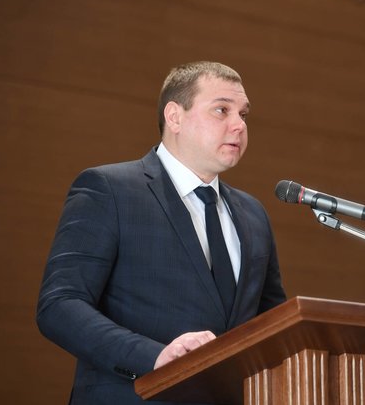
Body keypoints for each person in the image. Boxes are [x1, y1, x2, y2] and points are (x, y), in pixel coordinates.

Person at [36, 61, 287, 404]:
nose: (239, 125)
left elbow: (272, 324)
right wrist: (155, 358)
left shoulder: (253, 214)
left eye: (243, 114)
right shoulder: (109, 190)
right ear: (174, 117)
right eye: (222, 110)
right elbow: (60, 306)